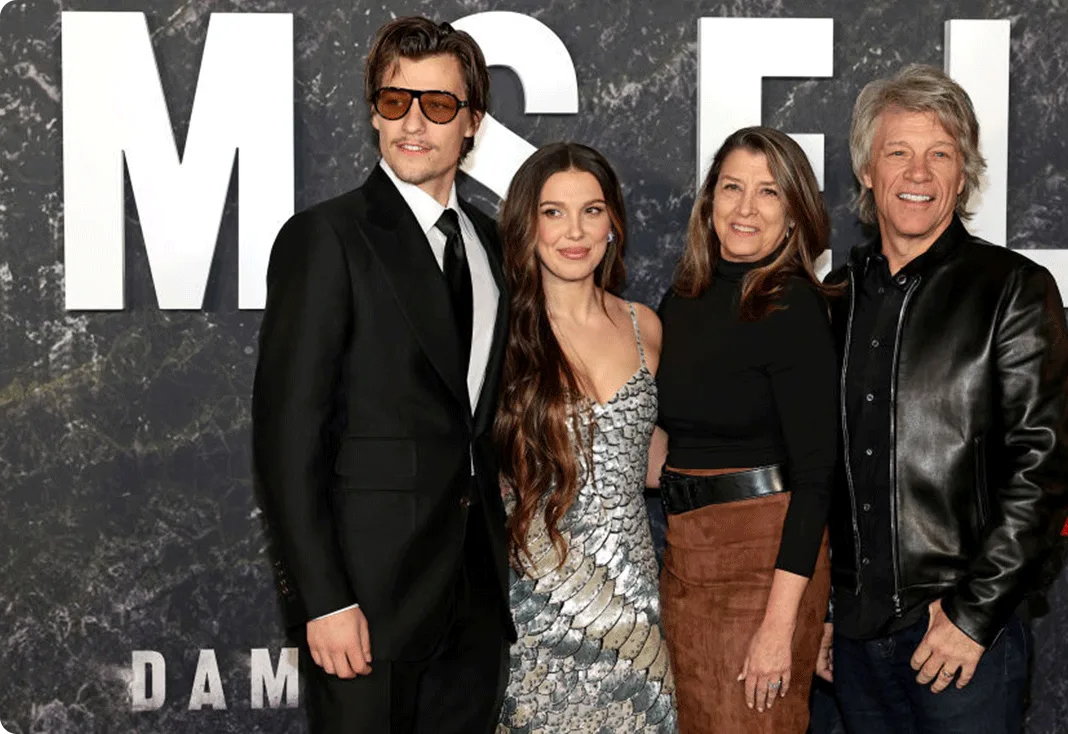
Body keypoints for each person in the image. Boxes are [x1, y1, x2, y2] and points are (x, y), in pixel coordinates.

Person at [251, 17, 513, 733]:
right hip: (365, 607)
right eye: (396, 101)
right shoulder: (327, 237)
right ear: (375, 111)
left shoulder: (492, 244)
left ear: (473, 123)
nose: (413, 123)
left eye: (438, 104)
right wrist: (324, 600)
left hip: (474, 604)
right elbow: (287, 437)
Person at [816, 64, 1068, 734]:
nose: (919, 173)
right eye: (898, 152)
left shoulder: (1012, 289)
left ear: (963, 176)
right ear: (867, 173)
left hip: (961, 646)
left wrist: (973, 615)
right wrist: (821, 610)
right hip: (851, 647)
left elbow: (1042, 469)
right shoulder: (834, 303)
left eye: (940, 155)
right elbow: (817, 471)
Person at [656, 126, 838, 733]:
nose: (745, 208)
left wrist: (780, 626)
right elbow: (665, 440)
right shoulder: (683, 299)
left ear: (794, 215)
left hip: (764, 565)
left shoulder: (793, 305)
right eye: (732, 187)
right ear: (708, 203)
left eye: (768, 192)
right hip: (684, 559)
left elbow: (817, 479)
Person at [493, 142, 676, 733]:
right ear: (528, 224)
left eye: (591, 211)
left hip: (635, 618)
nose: (574, 231)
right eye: (553, 212)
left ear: (613, 224)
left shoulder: (643, 324)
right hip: (536, 618)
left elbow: (647, 454)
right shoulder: (498, 335)